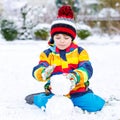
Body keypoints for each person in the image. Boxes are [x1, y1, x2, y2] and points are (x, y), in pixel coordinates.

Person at [25, 5, 105, 112]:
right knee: (45, 103)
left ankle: (84, 98)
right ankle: (37, 98)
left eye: (66, 38)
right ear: (52, 38)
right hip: (55, 93)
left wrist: (75, 77)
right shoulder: (47, 54)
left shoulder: (80, 52)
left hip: (77, 91)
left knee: (96, 105)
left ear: (71, 38)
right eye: (57, 37)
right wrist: (43, 72)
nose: (62, 41)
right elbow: (39, 67)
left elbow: (87, 68)